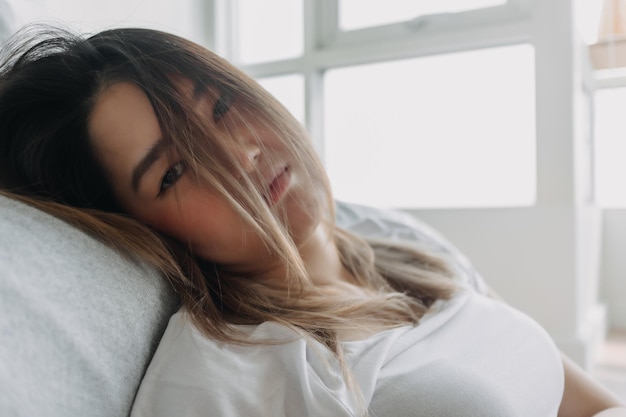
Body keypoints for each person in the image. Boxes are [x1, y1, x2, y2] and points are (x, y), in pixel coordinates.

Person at [0, 26, 624, 417]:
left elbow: (586, 400)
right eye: (173, 172)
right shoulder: (237, 369)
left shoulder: (407, 256)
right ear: (147, 231)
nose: (240, 158)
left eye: (219, 107)